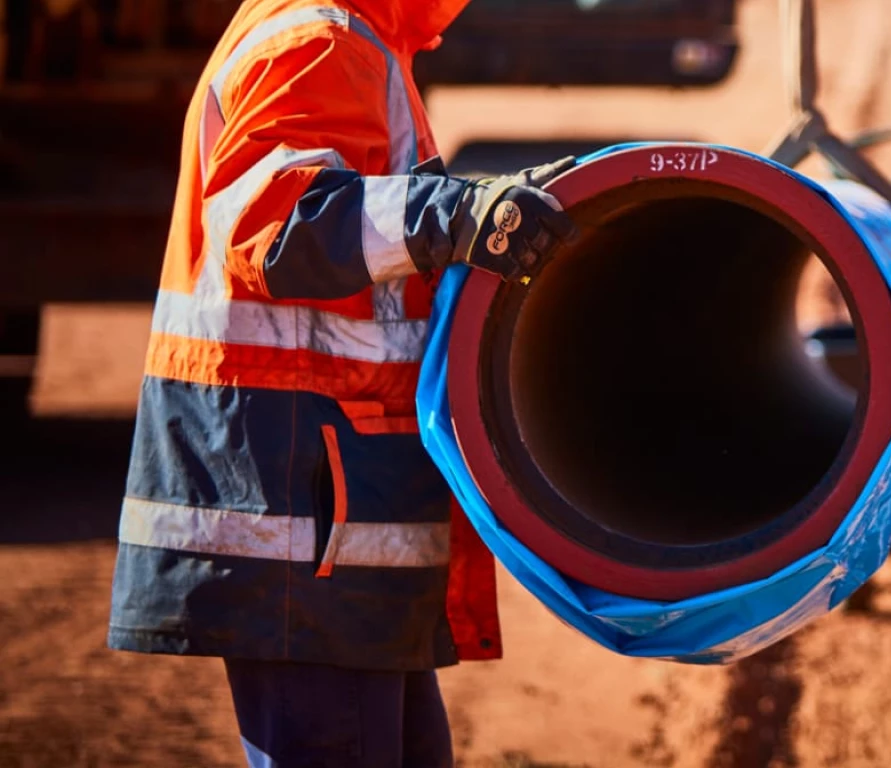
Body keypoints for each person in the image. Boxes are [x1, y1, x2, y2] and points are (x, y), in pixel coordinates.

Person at [107, 1, 578, 765]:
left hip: (334, 516)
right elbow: (273, 224)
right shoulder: (321, 39)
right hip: (307, 524)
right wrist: (455, 214)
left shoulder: (363, 42)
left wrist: (468, 216)